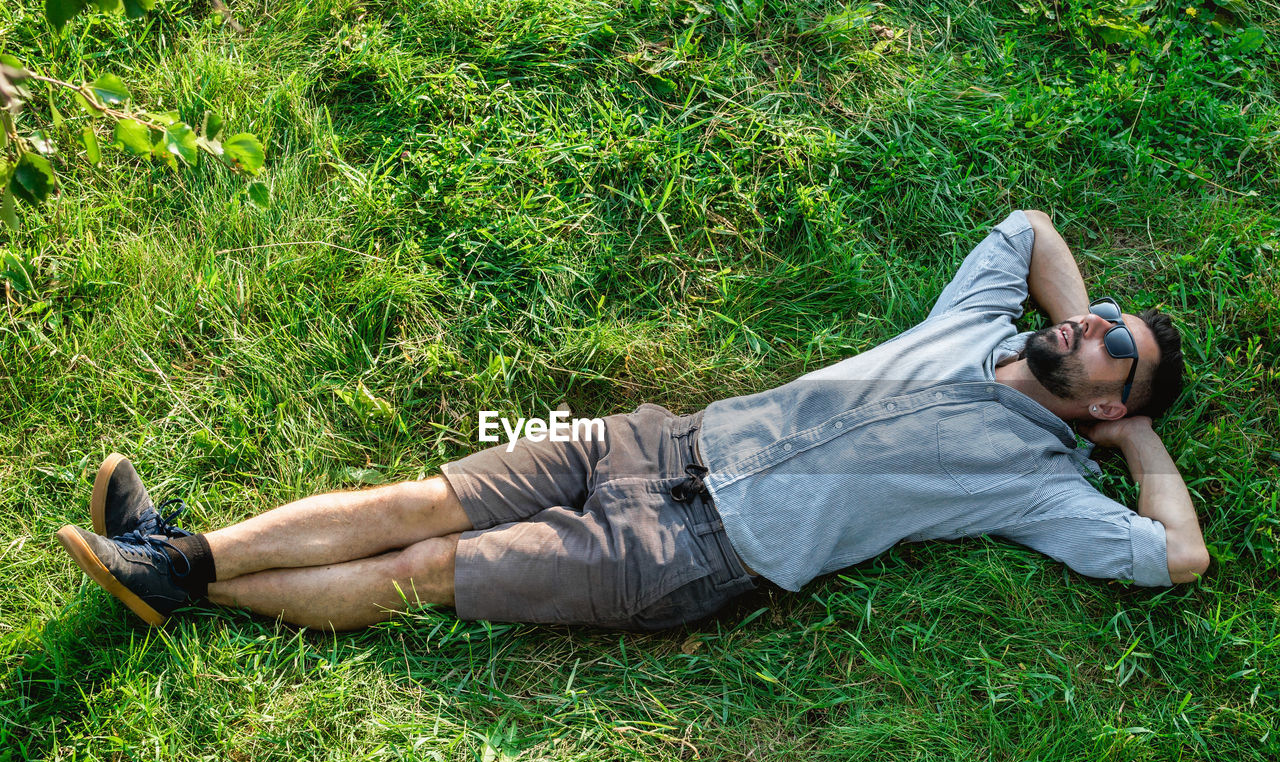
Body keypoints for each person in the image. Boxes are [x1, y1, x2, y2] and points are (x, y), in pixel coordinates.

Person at [55, 210, 1210, 632]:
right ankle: (174, 560)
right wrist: (1085, 330)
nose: (1086, 325)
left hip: (695, 552)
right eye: (1097, 315)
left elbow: (1173, 554)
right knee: (414, 496)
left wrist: (1130, 442)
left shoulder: (1037, 481)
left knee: (423, 566)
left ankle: (171, 583)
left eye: (1113, 347)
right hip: (660, 438)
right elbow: (1029, 229)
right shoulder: (976, 327)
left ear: (1108, 399)